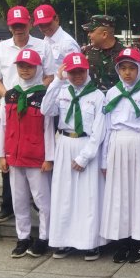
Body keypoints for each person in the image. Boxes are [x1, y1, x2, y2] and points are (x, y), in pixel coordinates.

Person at [0, 5, 55, 223]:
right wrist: (9, 96)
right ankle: (8, 205)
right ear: (9, 27)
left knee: (38, 158)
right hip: (10, 111)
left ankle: (40, 203)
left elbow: (50, 75)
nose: (19, 29)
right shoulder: (0, 49)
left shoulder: (43, 46)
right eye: (14, 26)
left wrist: (36, 92)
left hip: (35, 110)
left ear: (30, 24)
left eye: (22, 25)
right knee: (9, 158)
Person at [41, 52, 106, 261]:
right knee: (64, 194)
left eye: (80, 72)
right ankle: (63, 240)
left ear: (87, 71)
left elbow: (99, 130)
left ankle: (90, 243)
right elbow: (46, 110)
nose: (77, 76)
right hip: (65, 142)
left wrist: (85, 156)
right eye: (72, 72)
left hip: (86, 144)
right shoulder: (62, 90)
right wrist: (56, 82)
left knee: (88, 196)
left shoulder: (97, 96)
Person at [0, 48, 55, 258]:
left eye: (29, 66)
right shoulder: (10, 95)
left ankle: (45, 237)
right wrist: (2, 155)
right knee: (19, 200)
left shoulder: (44, 95)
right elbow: (4, 126)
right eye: (21, 66)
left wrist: (49, 158)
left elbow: (49, 129)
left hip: (36, 157)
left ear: (38, 68)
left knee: (42, 200)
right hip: (15, 156)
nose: (25, 70)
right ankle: (23, 237)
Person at [100, 47, 140, 264]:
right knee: (119, 195)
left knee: (137, 194)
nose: (127, 73)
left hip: (138, 144)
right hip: (116, 145)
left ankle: (137, 242)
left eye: (131, 68)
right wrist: (104, 159)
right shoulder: (112, 93)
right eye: (123, 68)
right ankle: (122, 241)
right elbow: (107, 128)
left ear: (139, 69)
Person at [81, 14, 124, 91]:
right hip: (92, 97)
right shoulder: (86, 52)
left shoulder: (125, 54)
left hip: (117, 97)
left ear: (104, 34)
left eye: (91, 31)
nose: (89, 35)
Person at [33, 4, 80, 68]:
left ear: (57, 19)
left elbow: (76, 71)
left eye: (47, 23)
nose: (45, 28)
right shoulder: (45, 40)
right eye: (41, 25)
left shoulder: (68, 43)